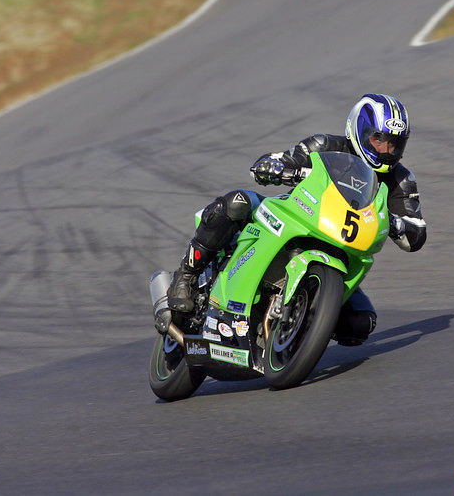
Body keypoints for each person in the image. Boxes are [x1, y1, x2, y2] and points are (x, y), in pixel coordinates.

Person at [166, 94, 427, 346]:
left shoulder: (400, 180)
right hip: (298, 219)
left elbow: (416, 234)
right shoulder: (325, 145)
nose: (386, 150)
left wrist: (395, 223)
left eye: (395, 144)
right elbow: (275, 161)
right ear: (359, 130)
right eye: (378, 139)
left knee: (360, 323)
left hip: (342, 254)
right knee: (238, 203)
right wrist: (275, 166)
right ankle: (186, 276)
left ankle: (294, 332)